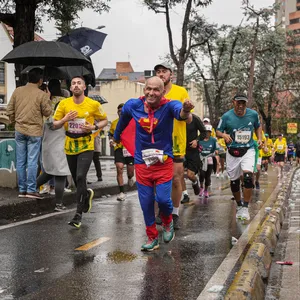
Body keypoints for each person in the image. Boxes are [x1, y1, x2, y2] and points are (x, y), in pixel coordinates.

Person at [113, 76, 193, 251]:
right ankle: (152, 237)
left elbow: (181, 114)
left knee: (163, 200)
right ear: (144, 90)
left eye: (156, 89)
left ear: (163, 91)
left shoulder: (170, 105)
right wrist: (116, 137)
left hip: (163, 162)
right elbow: (123, 120)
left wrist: (186, 110)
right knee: (146, 202)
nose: (151, 92)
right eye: (148, 88)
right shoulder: (133, 105)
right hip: (142, 163)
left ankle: (167, 221)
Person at [53, 76, 108, 228]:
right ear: (70, 88)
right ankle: (86, 195)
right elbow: (55, 124)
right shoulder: (64, 104)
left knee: (80, 176)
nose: (76, 86)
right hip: (70, 144)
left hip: (86, 145)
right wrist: (65, 119)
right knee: (78, 181)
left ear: (84, 87)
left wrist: (94, 127)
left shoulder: (93, 104)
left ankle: (78, 215)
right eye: (73, 83)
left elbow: (104, 120)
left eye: (79, 83)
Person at [154, 62, 190, 229]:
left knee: (176, 179)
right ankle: (161, 210)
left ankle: (174, 213)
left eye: (164, 72)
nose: (161, 74)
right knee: (157, 179)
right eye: (158, 72)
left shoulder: (180, 92)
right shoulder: (153, 92)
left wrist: (186, 111)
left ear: (171, 75)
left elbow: (188, 119)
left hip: (176, 141)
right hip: (156, 141)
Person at [6, 68, 52, 199]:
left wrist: (15, 121)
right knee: (32, 161)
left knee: (20, 161)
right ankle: (31, 189)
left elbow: (9, 110)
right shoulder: (41, 94)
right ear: (40, 80)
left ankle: (22, 190)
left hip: (19, 130)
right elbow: (47, 113)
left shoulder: (17, 91)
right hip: (34, 131)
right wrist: (48, 98)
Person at [216, 93, 262, 221]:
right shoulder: (226, 116)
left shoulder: (253, 115)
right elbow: (218, 131)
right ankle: (239, 204)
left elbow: (258, 127)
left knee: (248, 177)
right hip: (232, 152)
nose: (241, 105)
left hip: (248, 149)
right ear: (233, 102)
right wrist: (223, 135)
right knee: (235, 182)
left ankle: (245, 208)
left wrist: (259, 139)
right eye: (238, 103)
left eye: (243, 103)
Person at [36, 79, 70, 211]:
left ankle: (30, 189)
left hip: (48, 149)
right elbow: (54, 125)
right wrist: (65, 119)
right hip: (58, 150)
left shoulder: (47, 115)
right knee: (60, 175)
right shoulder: (56, 119)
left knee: (48, 173)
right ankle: (59, 204)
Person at [109, 104, 135, 201]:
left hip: (129, 149)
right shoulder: (114, 123)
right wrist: (111, 141)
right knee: (119, 168)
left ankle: (130, 177)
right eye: (119, 111)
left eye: (122, 110)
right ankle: (121, 192)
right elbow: (111, 135)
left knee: (130, 171)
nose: (120, 112)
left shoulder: (133, 122)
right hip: (119, 148)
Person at [181, 113, 206, 203]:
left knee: (190, 175)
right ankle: (185, 195)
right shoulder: (177, 119)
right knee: (179, 173)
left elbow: (204, 132)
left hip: (192, 150)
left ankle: (195, 182)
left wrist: (197, 140)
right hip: (180, 150)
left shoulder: (195, 118)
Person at [199, 125, 218, 198]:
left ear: (210, 133)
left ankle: (206, 190)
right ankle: (201, 187)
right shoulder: (200, 140)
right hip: (201, 159)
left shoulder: (213, 140)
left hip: (210, 159)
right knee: (202, 174)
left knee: (207, 176)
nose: (207, 133)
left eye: (209, 132)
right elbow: (197, 148)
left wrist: (216, 151)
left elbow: (216, 149)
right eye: (206, 132)